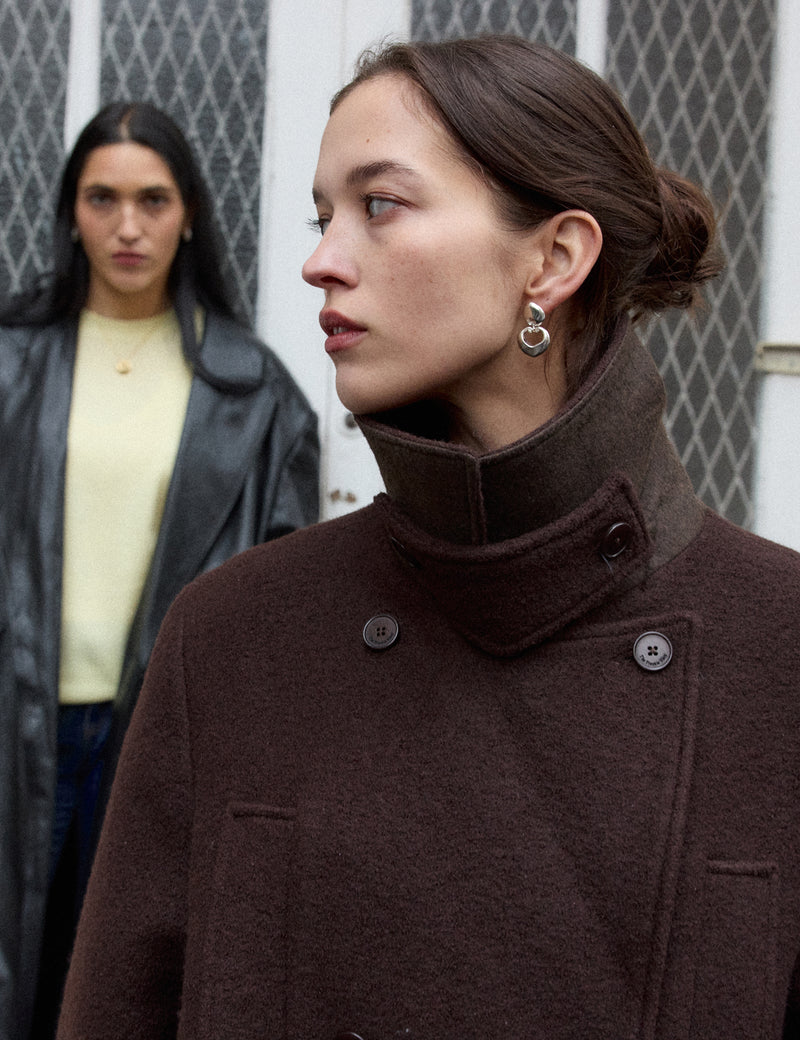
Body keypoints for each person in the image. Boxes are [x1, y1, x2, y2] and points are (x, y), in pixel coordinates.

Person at [57, 36, 800, 1039]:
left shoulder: (779, 648)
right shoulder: (231, 641)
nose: (320, 260)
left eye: (379, 204)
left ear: (553, 258)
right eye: (322, 215)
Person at [0, 101, 319, 1040]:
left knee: (119, 992)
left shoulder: (254, 393)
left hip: (162, 738)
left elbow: (283, 604)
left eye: (153, 200)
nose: (128, 226)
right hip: (15, 731)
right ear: (71, 213)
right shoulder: (10, 365)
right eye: (102, 198)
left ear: (189, 215)